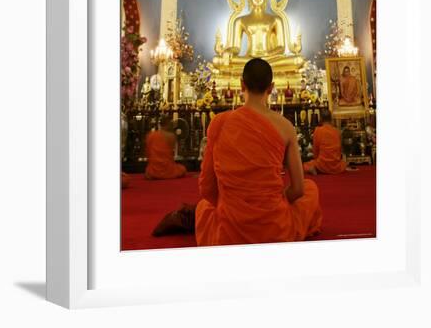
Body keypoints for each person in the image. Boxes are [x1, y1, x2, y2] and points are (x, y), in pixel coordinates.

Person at [195, 58, 322, 246]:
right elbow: (298, 189)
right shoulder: (285, 127)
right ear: (271, 88)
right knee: (311, 189)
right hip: (275, 227)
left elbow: (207, 187)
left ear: (241, 84)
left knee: (203, 207)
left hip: (230, 228)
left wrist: (233, 204)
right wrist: (270, 204)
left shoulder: (219, 123)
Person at [303, 109, 346, 175]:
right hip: (336, 166)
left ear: (321, 119)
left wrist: (316, 161)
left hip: (322, 165)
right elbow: (340, 150)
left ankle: (315, 168)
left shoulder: (318, 130)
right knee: (343, 163)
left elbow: (315, 151)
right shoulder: (337, 131)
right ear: (331, 119)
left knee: (305, 165)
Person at [145, 116, 187, 180]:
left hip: (153, 172)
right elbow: (172, 153)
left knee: (148, 170)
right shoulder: (171, 136)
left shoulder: (150, 135)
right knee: (183, 169)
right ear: (168, 124)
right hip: (168, 170)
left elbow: (148, 154)